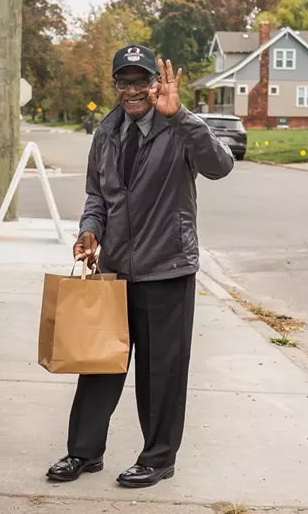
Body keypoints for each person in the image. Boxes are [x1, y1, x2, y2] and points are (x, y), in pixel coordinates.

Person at [47, 45, 234, 488]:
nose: (132, 90)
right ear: (115, 85)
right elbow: (98, 194)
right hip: (114, 270)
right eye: (124, 81)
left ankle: (158, 458)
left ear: (156, 84)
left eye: (141, 81)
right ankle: (84, 453)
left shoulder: (180, 128)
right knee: (98, 364)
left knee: (161, 373)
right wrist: (90, 230)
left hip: (167, 268)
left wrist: (181, 116)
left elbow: (220, 166)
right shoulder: (106, 132)